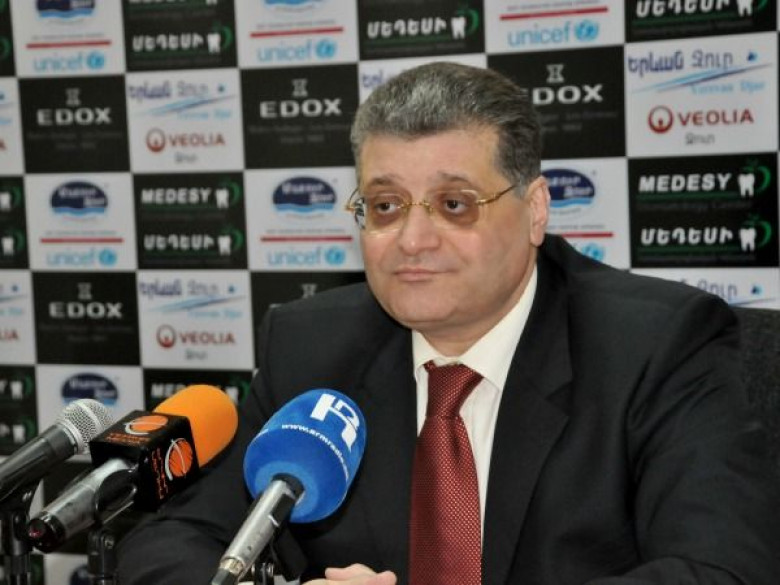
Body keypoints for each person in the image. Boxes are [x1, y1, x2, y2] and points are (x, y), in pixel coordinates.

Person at [116, 62, 780, 585]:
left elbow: (722, 569)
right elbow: (169, 543)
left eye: (454, 204)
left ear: (535, 210)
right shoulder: (311, 346)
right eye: (385, 205)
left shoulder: (656, 344)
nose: (413, 240)